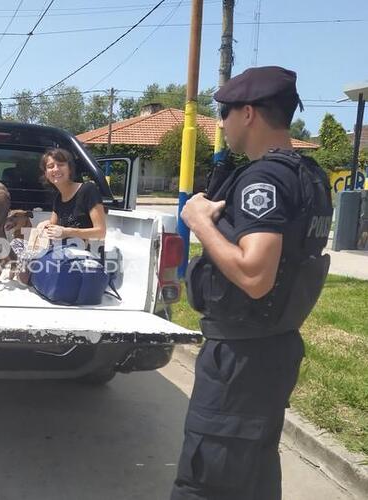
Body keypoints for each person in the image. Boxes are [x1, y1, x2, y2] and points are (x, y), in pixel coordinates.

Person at [171, 66, 333, 500]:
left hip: (241, 359)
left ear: (248, 114)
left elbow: (255, 275)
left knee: (207, 483)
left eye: (223, 113)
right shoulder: (309, 175)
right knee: (252, 480)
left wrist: (199, 222)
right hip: (271, 347)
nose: (220, 125)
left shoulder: (263, 180)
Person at [36, 147, 107, 247]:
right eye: (51, 166)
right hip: (62, 253)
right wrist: (44, 225)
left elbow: (101, 232)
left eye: (61, 165)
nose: (56, 169)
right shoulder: (58, 198)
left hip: (87, 256)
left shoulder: (88, 190)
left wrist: (68, 232)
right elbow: (53, 227)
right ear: (46, 174)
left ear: (70, 169)